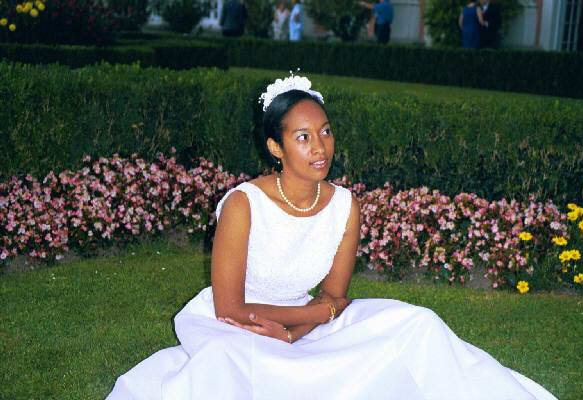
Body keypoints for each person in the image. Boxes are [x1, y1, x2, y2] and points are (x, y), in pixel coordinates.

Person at [106, 73, 558, 400]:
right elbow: (230, 307)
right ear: (275, 147)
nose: (319, 147)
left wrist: (303, 325)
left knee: (415, 324)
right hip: (237, 324)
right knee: (235, 368)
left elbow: (336, 297)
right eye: (302, 137)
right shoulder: (244, 204)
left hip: (308, 320)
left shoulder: (345, 205)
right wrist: (299, 320)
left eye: (324, 132)